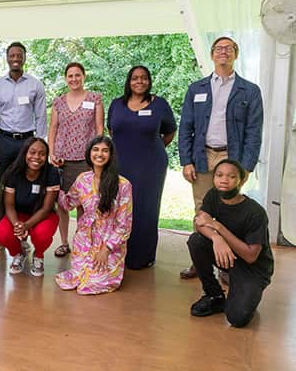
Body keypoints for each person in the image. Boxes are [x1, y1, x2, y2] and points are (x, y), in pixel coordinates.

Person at [178, 36, 263, 279]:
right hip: (203, 156)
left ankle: (226, 265)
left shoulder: (250, 91)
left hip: (233, 158)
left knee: (229, 212)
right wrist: (186, 160)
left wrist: (245, 166)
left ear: (236, 54)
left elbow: (254, 132)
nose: (223, 52)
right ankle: (200, 260)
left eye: (228, 49)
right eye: (218, 48)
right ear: (212, 55)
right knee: (201, 211)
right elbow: (186, 127)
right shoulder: (197, 89)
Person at [187, 159, 273, 328]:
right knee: (196, 241)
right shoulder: (213, 195)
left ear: (241, 180)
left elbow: (250, 256)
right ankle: (214, 295)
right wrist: (216, 238)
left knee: (237, 318)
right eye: (219, 175)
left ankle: (249, 290)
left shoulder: (255, 212)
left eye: (231, 176)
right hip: (228, 256)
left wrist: (218, 227)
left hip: (252, 267)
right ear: (213, 178)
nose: (224, 180)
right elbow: (199, 221)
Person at [107, 65, 177, 269]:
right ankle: (118, 252)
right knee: (119, 208)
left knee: (145, 209)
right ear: (129, 81)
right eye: (135, 78)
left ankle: (142, 257)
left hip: (151, 165)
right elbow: (112, 130)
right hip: (120, 164)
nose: (140, 81)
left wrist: (151, 148)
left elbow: (170, 132)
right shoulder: (116, 104)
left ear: (149, 81)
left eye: (144, 78)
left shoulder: (160, 104)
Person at [0, 42, 48, 252]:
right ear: (7, 58)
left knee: (26, 189)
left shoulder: (35, 85)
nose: (16, 58)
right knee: (1, 188)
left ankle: (23, 235)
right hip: (4, 141)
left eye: (19, 55)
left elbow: (41, 116)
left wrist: (41, 146)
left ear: (24, 58)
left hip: (28, 142)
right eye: (12, 55)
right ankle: (0, 233)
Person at [56, 136, 132, 295]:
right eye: (95, 150)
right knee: (76, 281)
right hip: (84, 239)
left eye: (105, 150)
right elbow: (68, 203)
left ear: (111, 155)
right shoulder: (83, 179)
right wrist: (53, 181)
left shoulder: (123, 185)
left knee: (91, 284)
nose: (100, 154)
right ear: (89, 153)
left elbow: (124, 226)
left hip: (109, 242)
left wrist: (106, 249)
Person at [48, 62, 104, 258]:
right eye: (70, 76)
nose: (74, 79)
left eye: (77, 75)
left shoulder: (95, 99)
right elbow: (53, 128)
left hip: (85, 160)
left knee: (84, 203)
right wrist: (52, 153)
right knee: (63, 204)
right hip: (62, 160)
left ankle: (82, 241)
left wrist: (96, 156)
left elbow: (99, 129)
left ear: (84, 76)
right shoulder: (58, 102)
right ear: (66, 78)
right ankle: (63, 242)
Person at [0, 137, 61, 276]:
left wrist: (27, 225)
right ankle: (18, 254)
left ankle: (38, 256)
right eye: (32, 152)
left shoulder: (51, 172)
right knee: (2, 233)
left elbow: (47, 208)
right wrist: (17, 225)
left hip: (42, 215)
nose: (37, 157)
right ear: (24, 153)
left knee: (42, 234)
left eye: (42, 154)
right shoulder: (13, 172)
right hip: (18, 214)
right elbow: (9, 206)